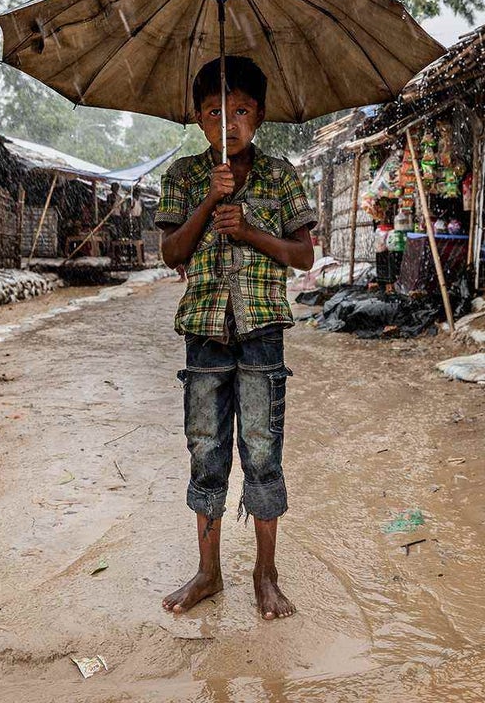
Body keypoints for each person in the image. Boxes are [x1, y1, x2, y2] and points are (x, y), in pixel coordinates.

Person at [155, 56, 316, 620]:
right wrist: (208, 202)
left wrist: (248, 230)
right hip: (204, 336)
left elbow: (303, 255)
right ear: (198, 119)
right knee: (206, 451)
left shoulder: (281, 176)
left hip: (262, 334)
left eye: (241, 110)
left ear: (261, 115)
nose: (229, 123)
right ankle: (208, 572)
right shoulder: (181, 177)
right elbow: (172, 252)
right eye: (215, 112)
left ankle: (265, 574)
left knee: (263, 452)